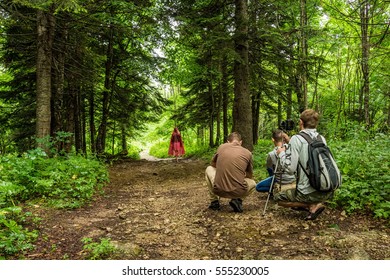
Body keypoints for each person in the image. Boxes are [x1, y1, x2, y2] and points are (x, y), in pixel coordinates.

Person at [275, 109, 334, 220]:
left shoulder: (296, 139)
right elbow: (307, 148)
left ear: (301, 122)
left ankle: (312, 205)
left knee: (278, 197)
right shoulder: (321, 138)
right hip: (326, 191)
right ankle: (315, 204)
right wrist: (290, 141)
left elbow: (290, 169)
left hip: (307, 193)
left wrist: (281, 154)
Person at [205, 132, 256, 213]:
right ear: (241, 142)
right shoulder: (248, 153)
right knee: (253, 183)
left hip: (218, 189)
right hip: (238, 191)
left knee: (209, 169)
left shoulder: (222, 147)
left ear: (228, 142)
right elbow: (250, 175)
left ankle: (214, 202)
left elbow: (213, 164)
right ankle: (238, 200)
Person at [255, 129, 296, 193]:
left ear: (273, 139)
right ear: (284, 138)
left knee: (258, 187)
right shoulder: (292, 149)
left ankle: (274, 189)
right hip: (293, 178)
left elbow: (270, 169)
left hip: (280, 180)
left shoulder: (271, 154)